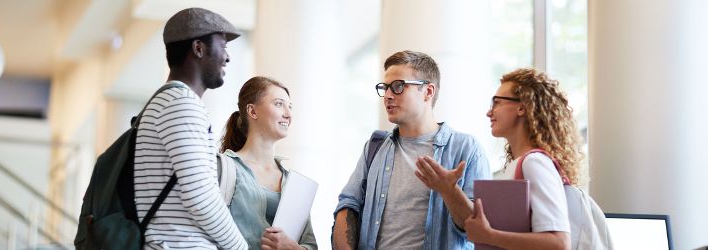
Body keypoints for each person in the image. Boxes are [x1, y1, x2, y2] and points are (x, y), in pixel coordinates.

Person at [333, 50, 491, 250]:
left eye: (398, 86)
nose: (388, 95)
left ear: (428, 91)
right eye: (385, 87)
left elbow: (478, 231)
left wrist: (449, 191)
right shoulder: (375, 146)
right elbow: (348, 205)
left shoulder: (466, 148)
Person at [417, 68, 582, 249]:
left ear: (522, 107)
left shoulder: (534, 162)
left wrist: (489, 236)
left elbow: (559, 243)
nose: (489, 112)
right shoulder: (521, 163)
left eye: (497, 103)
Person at [133, 8, 247, 249]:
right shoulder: (181, 104)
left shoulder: (166, 102)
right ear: (198, 48)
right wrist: (240, 247)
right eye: (223, 46)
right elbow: (202, 199)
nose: (227, 58)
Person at [219, 76, 318, 250]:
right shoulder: (224, 168)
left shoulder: (295, 184)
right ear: (252, 111)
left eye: (290, 107)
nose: (288, 114)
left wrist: (292, 247)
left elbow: (311, 245)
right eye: (279, 104)